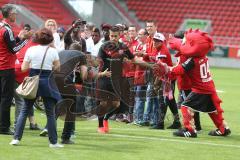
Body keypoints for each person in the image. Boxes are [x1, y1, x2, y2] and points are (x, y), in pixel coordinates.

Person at [153, 29, 231, 137]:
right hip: (209, 86)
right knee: (212, 110)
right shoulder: (203, 56)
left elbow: (180, 70)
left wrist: (167, 69)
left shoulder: (193, 60)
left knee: (185, 106)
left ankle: (190, 130)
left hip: (200, 88)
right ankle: (223, 129)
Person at [10, 28, 63, 147]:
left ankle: (16, 139)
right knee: (50, 113)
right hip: (48, 82)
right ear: (50, 38)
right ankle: (53, 142)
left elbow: (24, 68)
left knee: (24, 111)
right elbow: (58, 68)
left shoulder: (31, 49)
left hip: (33, 80)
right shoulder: (53, 51)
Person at [96, 26, 149, 133]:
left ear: (119, 35)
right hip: (104, 78)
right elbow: (98, 62)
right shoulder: (103, 47)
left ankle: (106, 118)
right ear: (109, 35)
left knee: (116, 104)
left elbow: (134, 60)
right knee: (104, 103)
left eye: (115, 36)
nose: (113, 38)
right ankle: (101, 125)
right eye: (111, 36)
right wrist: (100, 73)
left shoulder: (123, 47)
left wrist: (150, 65)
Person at [0, 4, 30, 135]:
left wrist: (19, 38)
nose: (16, 14)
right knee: (6, 98)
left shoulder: (2, 27)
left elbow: (8, 44)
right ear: (10, 14)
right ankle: (4, 127)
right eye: (15, 12)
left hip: (1, 66)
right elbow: (13, 49)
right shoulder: (7, 29)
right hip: (7, 68)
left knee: (2, 98)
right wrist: (25, 40)